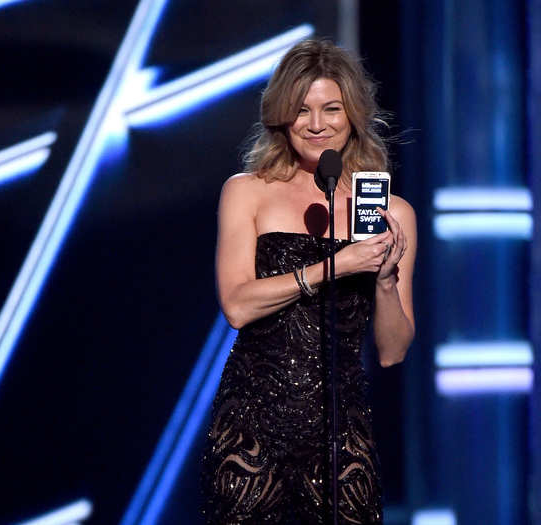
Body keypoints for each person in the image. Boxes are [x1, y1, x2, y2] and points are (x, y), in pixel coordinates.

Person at [201, 38, 416, 524]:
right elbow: (236, 305)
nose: (317, 125)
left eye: (331, 109)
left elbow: (393, 351)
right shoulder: (248, 191)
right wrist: (335, 266)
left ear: (353, 114)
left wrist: (382, 280)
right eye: (302, 110)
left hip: (341, 434)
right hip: (252, 431)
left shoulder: (389, 212)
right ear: (282, 116)